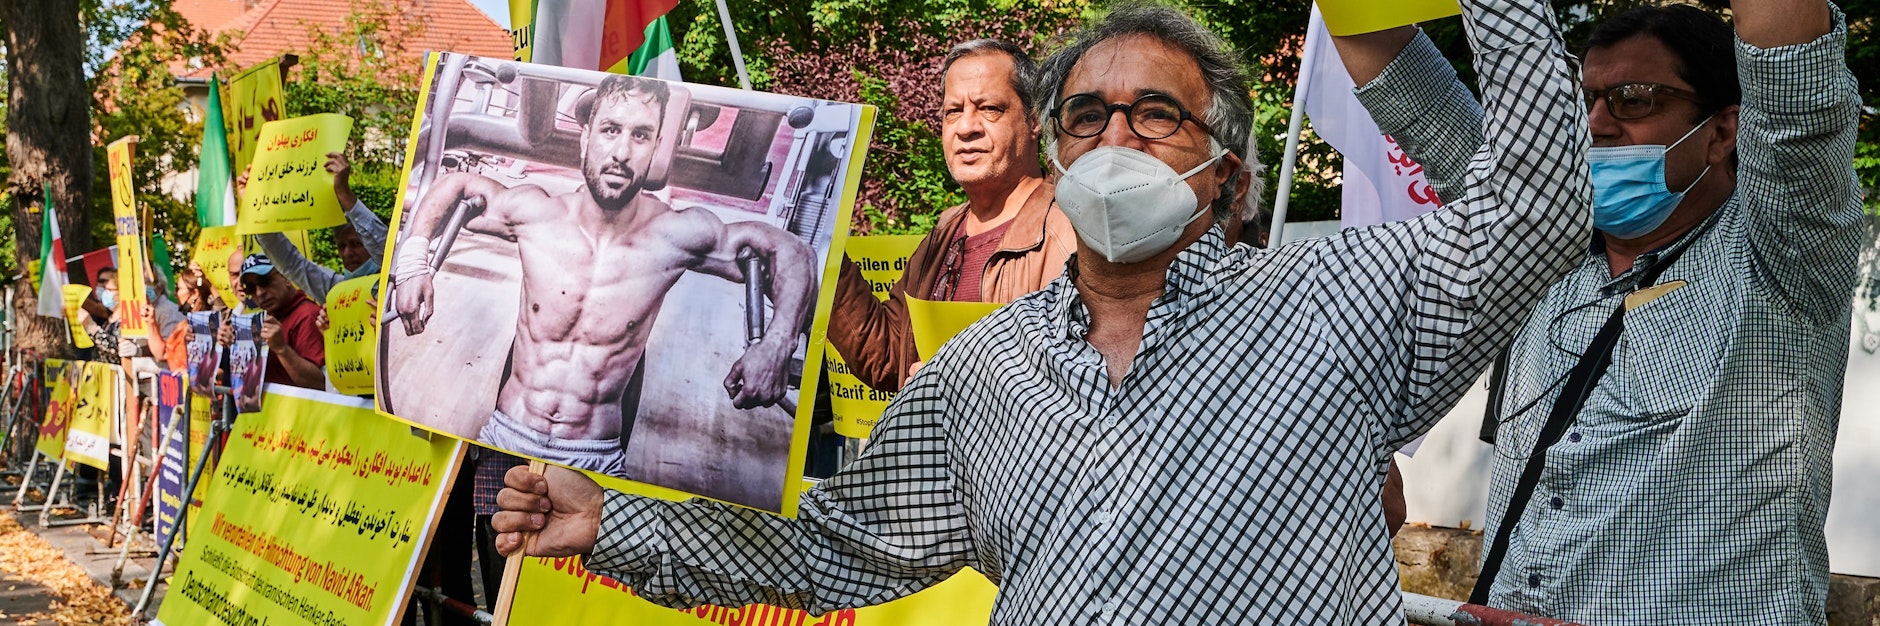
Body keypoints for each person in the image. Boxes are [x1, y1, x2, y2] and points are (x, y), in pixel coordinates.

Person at [494, 0, 1589, 618]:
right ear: (1056, 154)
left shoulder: (1340, 297)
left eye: (1155, 114)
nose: (1114, 138)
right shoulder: (982, 373)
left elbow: (1536, 203)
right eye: (1086, 116)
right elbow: (833, 552)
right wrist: (609, 519)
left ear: (1224, 171)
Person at [1336, 0, 1861, 622]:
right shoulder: (1532, 240)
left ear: (1722, 132)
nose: (1597, 124)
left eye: (1635, 99)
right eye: (1586, 99)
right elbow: (1399, 79)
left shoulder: (1783, 257)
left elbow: (1793, 76)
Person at [389, 74, 817, 477]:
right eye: (610, 130)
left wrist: (777, 346)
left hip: (595, 457)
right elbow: (457, 185)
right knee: (492, 547)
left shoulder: (675, 234)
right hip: (507, 433)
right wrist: (412, 263)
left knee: (587, 559)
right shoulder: (537, 213)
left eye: (641, 135)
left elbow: (793, 252)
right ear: (585, 139)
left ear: (655, 152)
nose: (622, 152)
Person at [827, 39, 1076, 391]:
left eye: (989, 108)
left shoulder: (1070, 233)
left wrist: (963, 386)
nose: (965, 127)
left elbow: (1088, 384)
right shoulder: (944, 234)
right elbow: (887, 359)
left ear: (1034, 120)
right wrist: (824, 254)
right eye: (952, 112)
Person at [251, 152, 390, 304]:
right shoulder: (337, 291)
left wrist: (344, 193)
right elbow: (290, 263)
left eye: (356, 244)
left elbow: (387, 250)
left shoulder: (394, 287)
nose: (348, 253)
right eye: (341, 246)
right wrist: (257, 206)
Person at [238, 254, 326, 390]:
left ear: (286, 277)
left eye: (265, 281)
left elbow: (320, 383)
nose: (259, 292)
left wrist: (282, 349)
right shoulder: (265, 319)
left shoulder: (307, 315)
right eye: (250, 288)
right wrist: (226, 348)